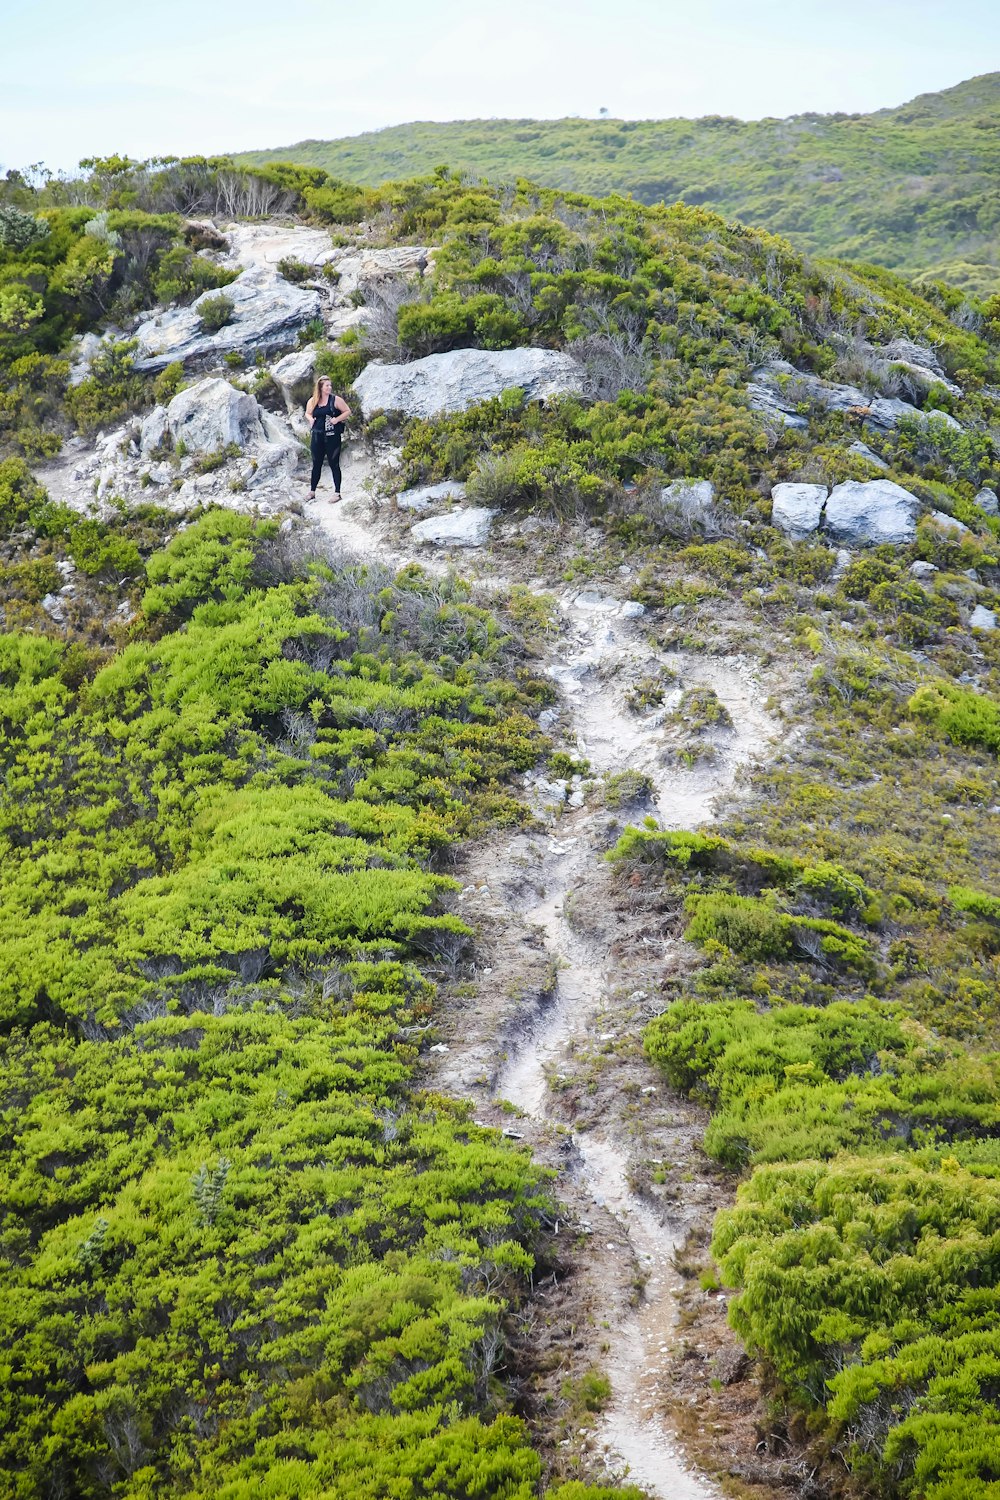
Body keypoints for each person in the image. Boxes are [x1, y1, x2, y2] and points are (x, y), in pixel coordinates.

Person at [305, 377, 351, 501]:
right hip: (317, 436)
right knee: (316, 464)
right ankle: (312, 491)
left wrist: (337, 419)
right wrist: (310, 419)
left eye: (330, 385)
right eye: (327, 386)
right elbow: (308, 413)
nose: (329, 388)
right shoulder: (313, 401)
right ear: (320, 387)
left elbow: (347, 411)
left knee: (334, 464)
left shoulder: (336, 400)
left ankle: (337, 492)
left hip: (332, 436)